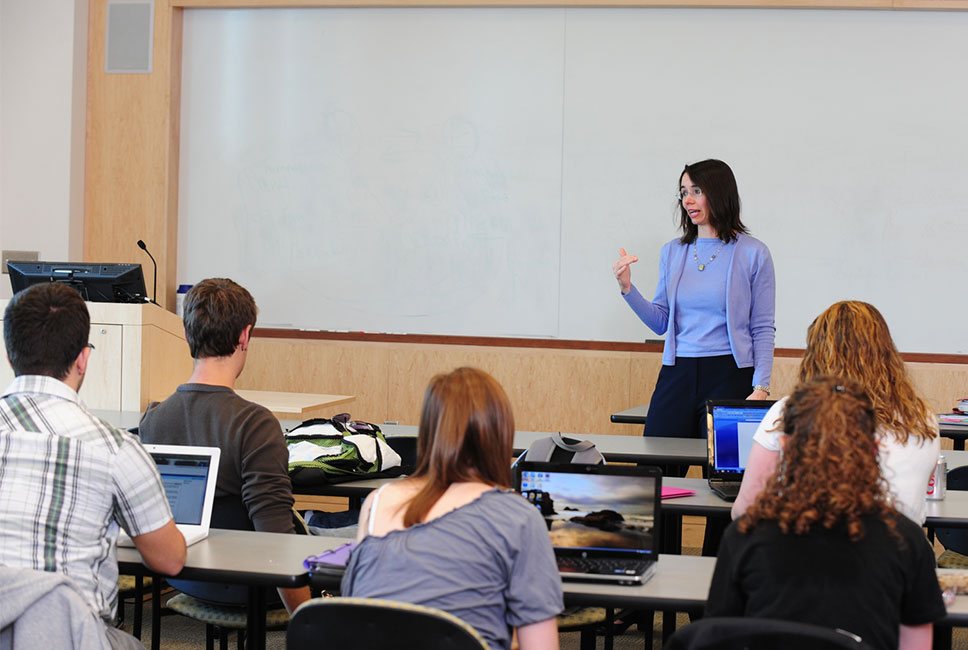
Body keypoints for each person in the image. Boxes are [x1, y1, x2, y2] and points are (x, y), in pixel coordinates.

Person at [0, 282, 185, 650]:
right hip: (66, 636)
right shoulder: (115, 448)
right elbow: (170, 561)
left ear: (10, 356)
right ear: (83, 359)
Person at [705, 377, 946, 650]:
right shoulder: (907, 540)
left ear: (784, 446)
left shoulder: (744, 534)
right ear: (873, 450)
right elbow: (915, 645)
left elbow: (720, 637)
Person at [341, 367, 562, 650]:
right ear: (500, 430)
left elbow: (361, 613)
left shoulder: (377, 501)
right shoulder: (518, 517)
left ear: (430, 429)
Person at [138, 277, 310, 613]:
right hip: (255, 585)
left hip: (184, 576)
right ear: (245, 336)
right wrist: (311, 622)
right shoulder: (256, 425)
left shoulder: (153, 421)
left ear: (187, 335)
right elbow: (275, 539)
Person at [733, 300, 940, 524]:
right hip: (901, 553)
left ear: (816, 354)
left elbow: (746, 511)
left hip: (813, 553)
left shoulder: (789, 411)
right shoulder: (922, 416)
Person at [614, 159, 775, 445]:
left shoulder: (754, 253)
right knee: (658, 468)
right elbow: (660, 322)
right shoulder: (673, 252)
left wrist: (760, 387)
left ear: (719, 193)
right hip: (678, 371)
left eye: (697, 190)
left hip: (731, 374)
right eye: (683, 192)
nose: (688, 200)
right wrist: (628, 288)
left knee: (724, 474)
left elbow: (762, 327)